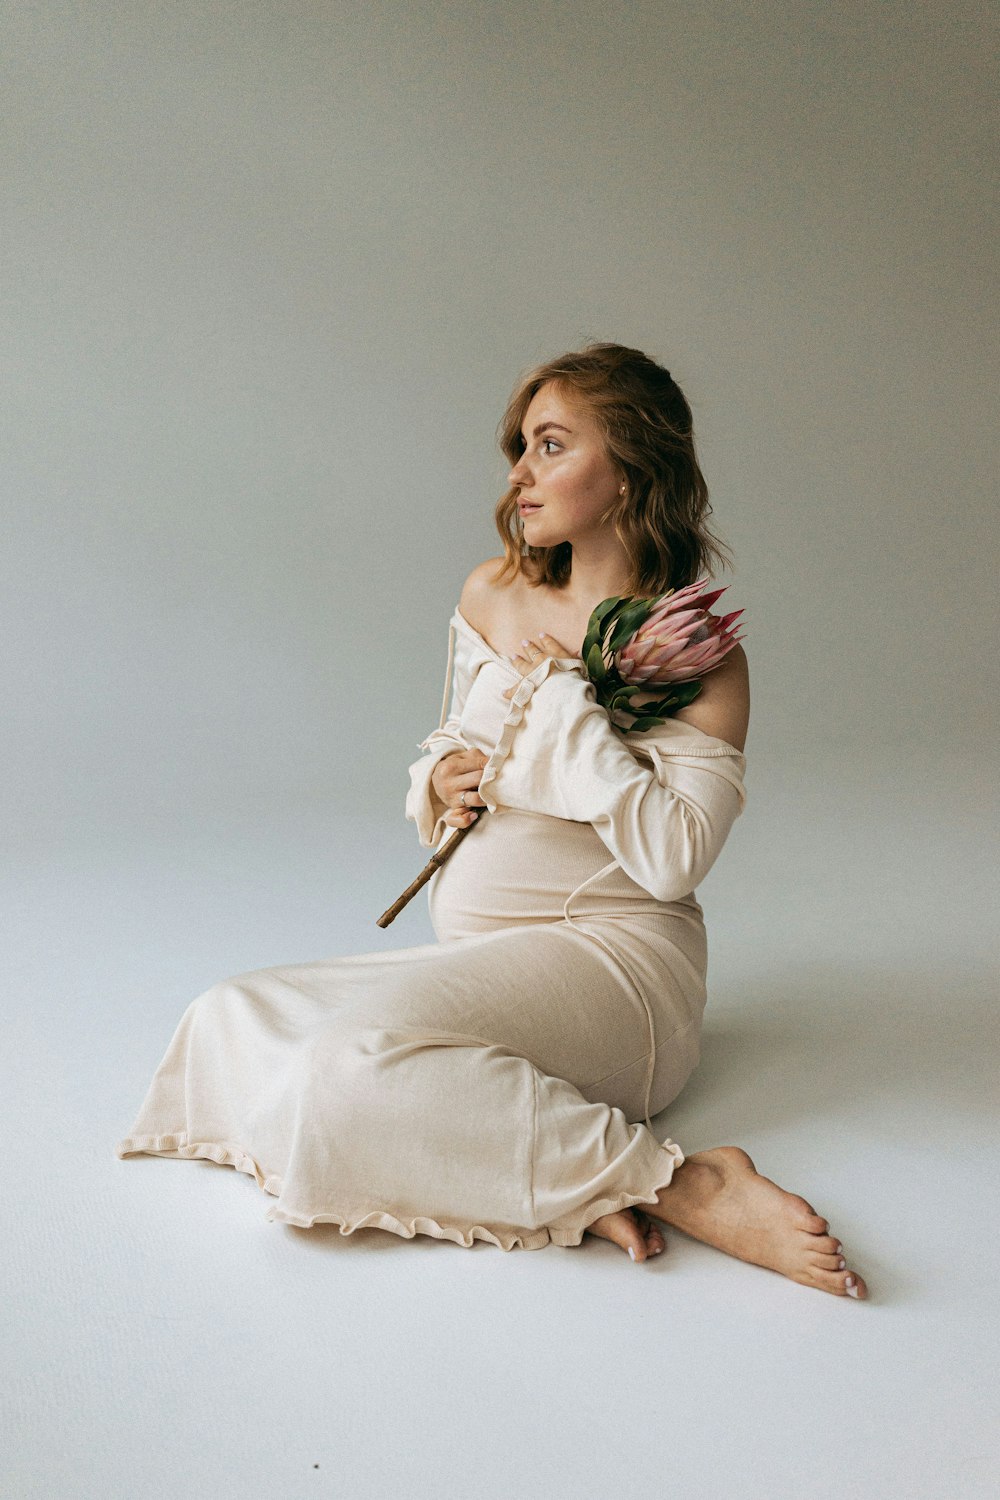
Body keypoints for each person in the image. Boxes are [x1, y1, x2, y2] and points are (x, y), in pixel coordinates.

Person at [116, 342, 867, 1299]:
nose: (519, 471)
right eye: (520, 445)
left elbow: (674, 857)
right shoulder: (492, 593)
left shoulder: (697, 652)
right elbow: (445, 744)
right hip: (485, 965)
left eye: (551, 445)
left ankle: (683, 1181)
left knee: (344, 1072)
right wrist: (445, 782)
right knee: (231, 1013)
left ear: (632, 467)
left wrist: (565, 713)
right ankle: (530, 1152)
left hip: (617, 966)